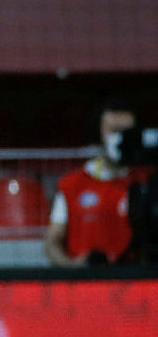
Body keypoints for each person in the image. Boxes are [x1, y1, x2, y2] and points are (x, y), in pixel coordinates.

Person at [45, 102, 149, 267]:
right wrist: (71, 267)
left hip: (136, 284)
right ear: (99, 132)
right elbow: (51, 242)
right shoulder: (72, 185)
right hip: (87, 286)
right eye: (114, 131)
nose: (121, 138)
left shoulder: (147, 182)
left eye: (127, 132)